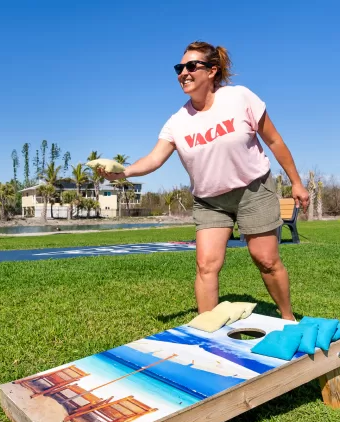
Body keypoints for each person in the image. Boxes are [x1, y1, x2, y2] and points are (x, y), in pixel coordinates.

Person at [96, 41, 309, 321]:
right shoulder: (177, 121)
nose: (183, 72)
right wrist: (123, 173)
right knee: (206, 265)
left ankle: (288, 317)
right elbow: (155, 158)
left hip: (253, 190)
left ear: (212, 71)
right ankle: (208, 331)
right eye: (179, 68)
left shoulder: (239, 98)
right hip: (210, 201)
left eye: (191, 66)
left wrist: (296, 182)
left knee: (266, 261)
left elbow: (274, 140)